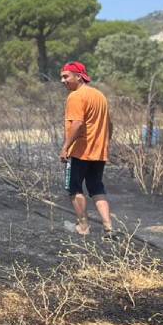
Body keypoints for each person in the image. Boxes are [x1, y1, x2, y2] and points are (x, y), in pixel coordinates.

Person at [59, 62, 114, 236]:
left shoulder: (76, 96)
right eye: (61, 76)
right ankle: (108, 227)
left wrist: (65, 147)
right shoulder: (100, 96)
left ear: (79, 76)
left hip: (80, 151)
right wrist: (104, 142)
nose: (62, 80)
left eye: (66, 76)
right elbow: (109, 124)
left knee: (74, 187)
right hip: (99, 151)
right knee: (96, 187)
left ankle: (83, 226)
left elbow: (77, 123)